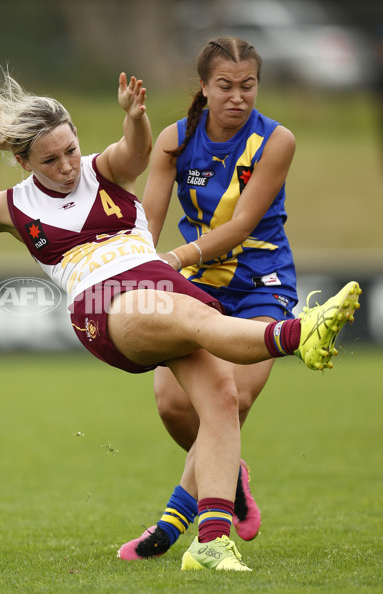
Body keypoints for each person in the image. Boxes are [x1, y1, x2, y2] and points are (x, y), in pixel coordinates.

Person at [0, 59, 360, 572]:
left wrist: (134, 117)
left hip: (156, 280)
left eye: (70, 149)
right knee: (191, 322)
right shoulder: (11, 207)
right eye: (50, 159)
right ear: (21, 160)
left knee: (220, 399)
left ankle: (211, 540)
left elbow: (136, 152)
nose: (66, 165)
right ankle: (296, 334)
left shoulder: (102, 170)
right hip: (103, 305)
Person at [117, 36, 300, 561]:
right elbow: (147, 220)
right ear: (204, 86)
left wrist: (175, 258)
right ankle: (232, 480)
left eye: (248, 86)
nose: (238, 97)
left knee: (230, 400)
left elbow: (242, 224)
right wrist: (134, 265)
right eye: (225, 86)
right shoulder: (175, 140)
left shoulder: (277, 141)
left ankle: (175, 522)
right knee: (173, 405)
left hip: (262, 284)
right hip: (196, 288)